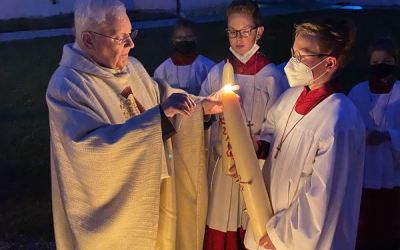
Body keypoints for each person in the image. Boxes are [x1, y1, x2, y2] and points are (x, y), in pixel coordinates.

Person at [46, 1, 222, 249]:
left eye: (131, 34)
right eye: (121, 38)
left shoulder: (133, 68)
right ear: (87, 40)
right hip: (119, 218)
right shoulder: (68, 87)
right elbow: (90, 153)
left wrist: (201, 106)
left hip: (156, 194)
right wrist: (158, 119)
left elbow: (162, 97)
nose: (132, 44)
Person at [244, 17, 365, 250]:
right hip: (269, 220)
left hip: (298, 238)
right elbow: (272, 131)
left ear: (329, 64)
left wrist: (282, 237)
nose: (293, 62)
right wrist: (257, 149)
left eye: (302, 56)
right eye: (293, 53)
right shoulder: (290, 97)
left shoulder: (339, 119)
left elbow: (321, 196)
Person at [200, 1, 288, 249]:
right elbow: (201, 115)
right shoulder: (217, 72)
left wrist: (257, 147)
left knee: (252, 221)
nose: (238, 38)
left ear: (258, 32)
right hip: (222, 165)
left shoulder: (272, 77)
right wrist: (206, 115)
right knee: (219, 219)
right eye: (232, 31)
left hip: (255, 166)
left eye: (245, 31)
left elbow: (277, 127)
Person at [348, 37, 400, 250]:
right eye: (376, 62)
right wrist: (363, 134)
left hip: (392, 168)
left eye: (386, 61)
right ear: (369, 63)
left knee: (389, 221)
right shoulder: (357, 92)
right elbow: (347, 124)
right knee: (363, 221)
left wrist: (389, 135)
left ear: (395, 62)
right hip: (364, 168)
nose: (380, 66)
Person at [154, 19, 215, 95]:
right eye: (179, 38)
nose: (184, 41)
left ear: (195, 38)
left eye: (188, 37)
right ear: (173, 41)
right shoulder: (162, 70)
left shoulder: (208, 66)